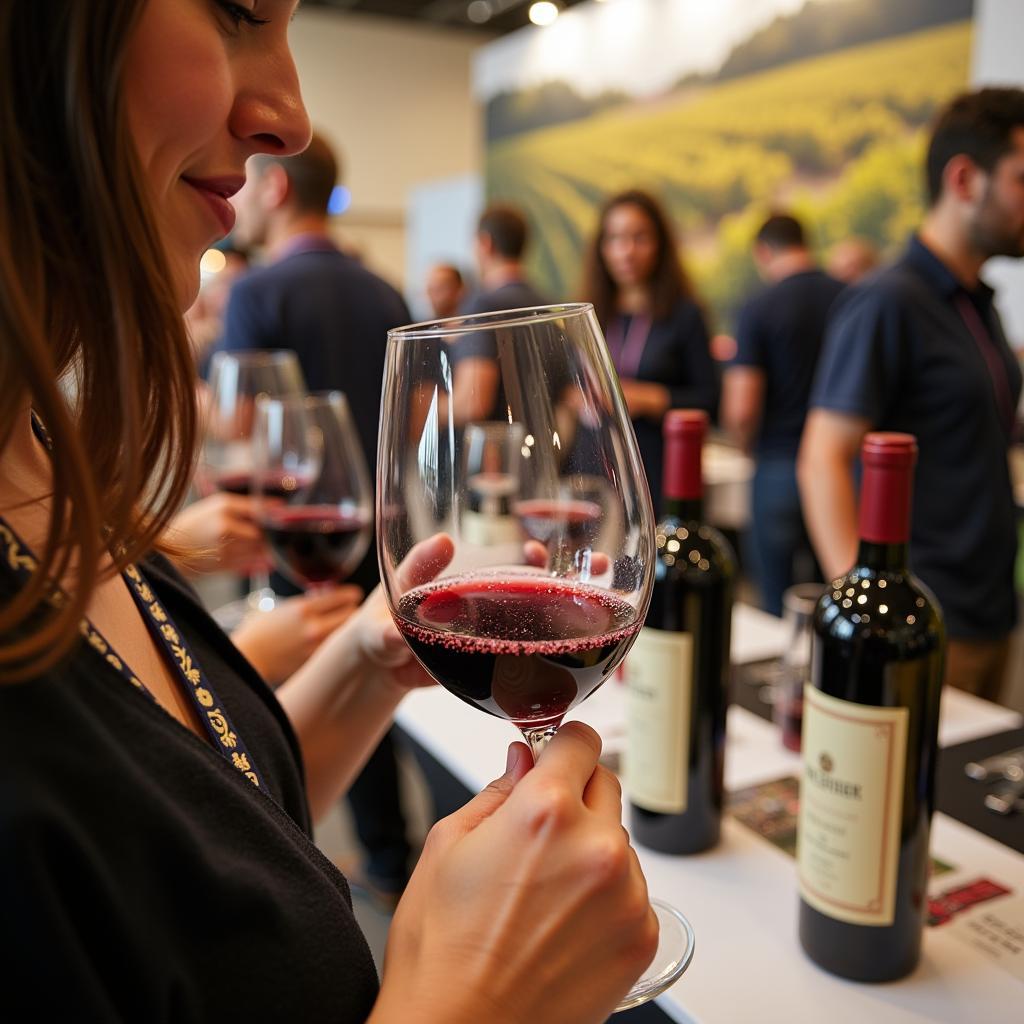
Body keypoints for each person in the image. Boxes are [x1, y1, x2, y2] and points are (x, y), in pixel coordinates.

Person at [0, 4, 657, 1021]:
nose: (293, 120)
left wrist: (355, 673)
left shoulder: (40, 461)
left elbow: (188, 850)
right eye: (238, 11)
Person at [214, 131, 415, 905]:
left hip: (299, 532)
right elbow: (417, 417)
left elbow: (239, 428)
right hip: (382, 524)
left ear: (274, 189)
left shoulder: (259, 292)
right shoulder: (386, 290)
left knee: (299, 689)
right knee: (382, 679)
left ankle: (289, 870)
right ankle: (391, 853)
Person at [799, 87, 1024, 703]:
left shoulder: (978, 305)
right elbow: (823, 457)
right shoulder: (890, 301)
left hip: (987, 608)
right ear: (964, 179)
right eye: (1022, 178)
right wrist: (867, 619)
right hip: (919, 622)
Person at [722, 213, 845, 616]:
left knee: (774, 599)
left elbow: (742, 407)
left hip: (777, 467)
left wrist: (745, 445)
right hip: (839, 472)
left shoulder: (759, 307)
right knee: (837, 594)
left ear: (763, 252)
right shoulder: (849, 297)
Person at [582, 189, 719, 508]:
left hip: (660, 473)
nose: (625, 252)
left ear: (660, 245)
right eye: (614, 238)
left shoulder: (684, 315)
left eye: (639, 237)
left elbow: (710, 401)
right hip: (599, 474)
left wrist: (646, 398)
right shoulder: (595, 313)